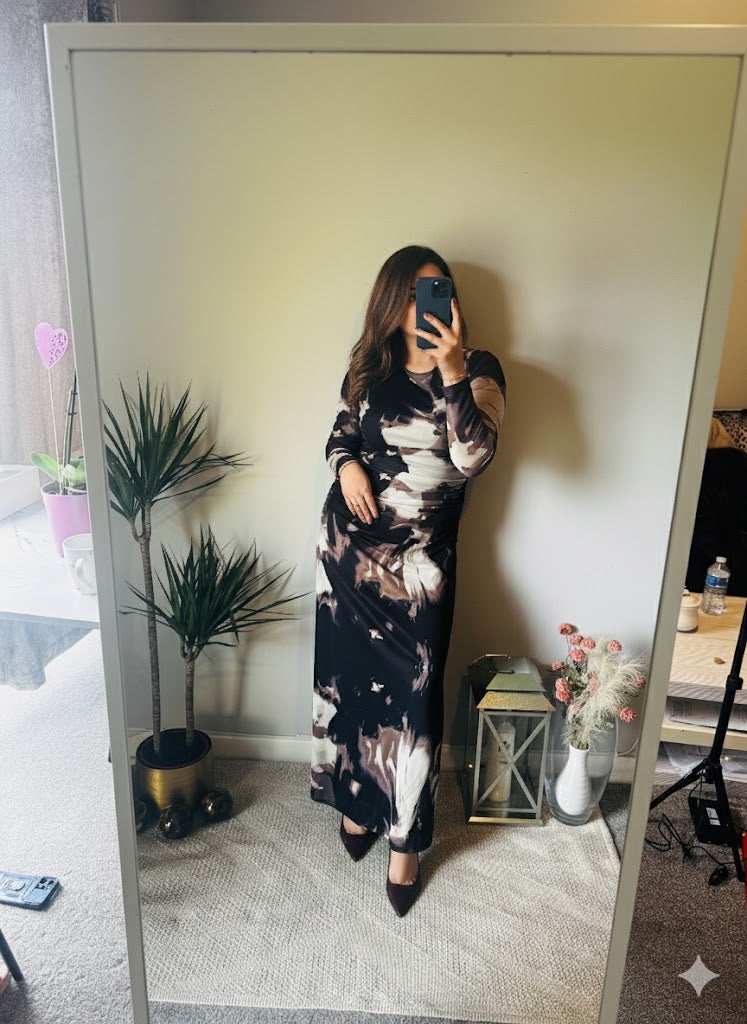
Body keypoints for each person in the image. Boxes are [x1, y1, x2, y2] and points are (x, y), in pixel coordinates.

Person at [311, 245, 506, 916]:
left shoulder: (480, 369)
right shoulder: (371, 366)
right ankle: (359, 805)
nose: (426, 308)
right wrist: (347, 467)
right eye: (414, 295)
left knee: (413, 707)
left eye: (438, 292)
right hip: (349, 557)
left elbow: (473, 457)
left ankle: (405, 841)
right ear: (391, 304)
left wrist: (451, 371)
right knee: (355, 691)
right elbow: (340, 434)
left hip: (421, 568)